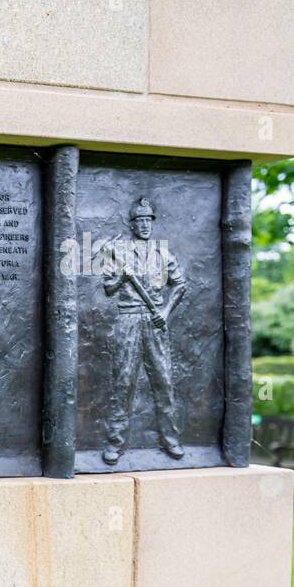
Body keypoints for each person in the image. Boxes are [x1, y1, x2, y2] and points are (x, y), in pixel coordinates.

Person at [100, 197, 187, 465]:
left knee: (163, 380)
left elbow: (180, 284)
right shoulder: (118, 252)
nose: (145, 225)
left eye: (149, 220)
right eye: (140, 221)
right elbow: (108, 289)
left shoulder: (162, 253)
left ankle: (170, 440)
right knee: (123, 381)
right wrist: (122, 277)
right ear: (132, 224)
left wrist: (165, 312)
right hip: (128, 320)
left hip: (154, 319)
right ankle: (115, 443)